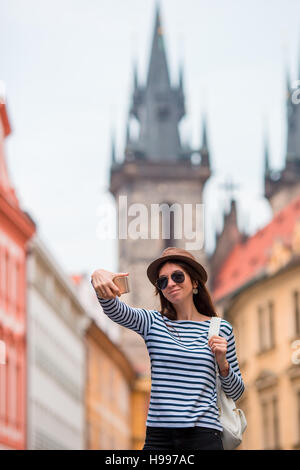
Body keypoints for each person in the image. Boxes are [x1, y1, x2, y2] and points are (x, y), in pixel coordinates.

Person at [90, 247, 245, 450]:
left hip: (204, 437)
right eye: (163, 281)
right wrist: (97, 276)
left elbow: (236, 391)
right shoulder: (152, 322)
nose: (170, 283)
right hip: (160, 439)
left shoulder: (220, 329)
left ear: (195, 281)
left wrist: (223, 363)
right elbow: (115, 310)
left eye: (178, 276)